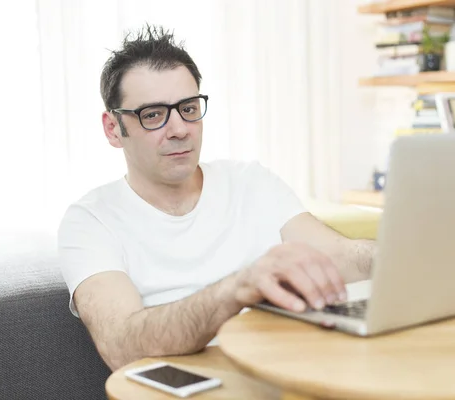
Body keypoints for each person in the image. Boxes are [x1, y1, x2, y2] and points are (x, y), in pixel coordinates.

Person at [57, 25, 376, 371]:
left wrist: (401, 257)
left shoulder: (251, 182)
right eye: (153, 115)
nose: (179, 129)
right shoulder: (90, 221)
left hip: (288, 371)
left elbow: (341, 256)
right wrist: (238, 287)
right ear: (113, 128)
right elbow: (121, 346)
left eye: (189, 108)